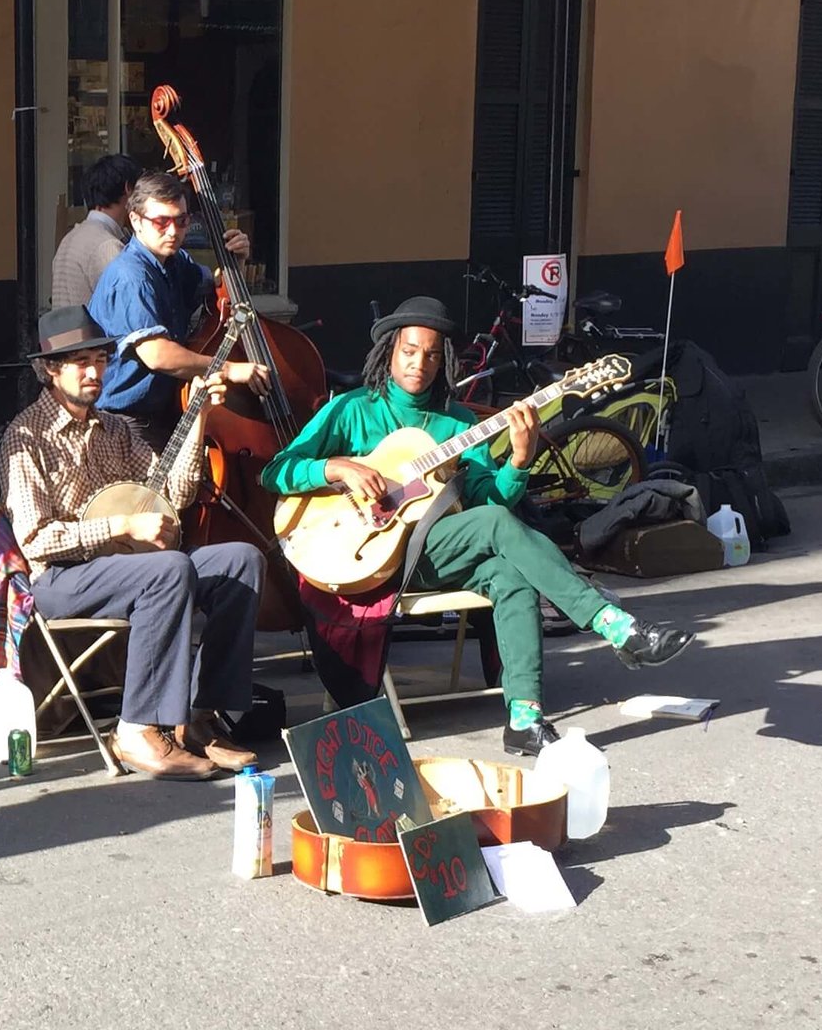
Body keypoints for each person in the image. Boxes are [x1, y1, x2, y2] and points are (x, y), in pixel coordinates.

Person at [261, 296, 696, 758]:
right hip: (366, 553)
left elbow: (490, 500)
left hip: (435, 551)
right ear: (389, 352)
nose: (419, 363)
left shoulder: (459, 423)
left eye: (432, 354)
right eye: (409, 351)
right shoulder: (352, 409)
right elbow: (276, 471)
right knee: (497, 532)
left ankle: (524, 718)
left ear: (444, 361)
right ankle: (612, 623)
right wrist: (336, 468)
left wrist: (520, 461)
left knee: (509, 574)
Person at [0, 308, 262, 780]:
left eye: (100, 360)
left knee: (241, 561)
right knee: (169, 569)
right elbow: (36, 539)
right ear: (50, 369)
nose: (94, 372)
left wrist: (198, 418)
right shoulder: (25, 437)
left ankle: (199, 717)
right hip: (62, 577)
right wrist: (121, 527)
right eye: (80, 363)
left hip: (129, 567)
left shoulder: (116, 429)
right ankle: (137, 729)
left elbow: (173, 495)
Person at [85, 168, 267, 448]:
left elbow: (217, 291)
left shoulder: (175, 261)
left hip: (161, 413)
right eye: (161, 222)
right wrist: (228, 369)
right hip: (125, 423)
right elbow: (157, 354)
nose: (173, 231)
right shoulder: (131, 276)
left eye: (181, 221)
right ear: (136, 220)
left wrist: (236, 262)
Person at [48, 152, 141, 311]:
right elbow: (128, 308)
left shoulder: (71, 237)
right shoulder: (107, 245)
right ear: (128, 189)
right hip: (92, 328)